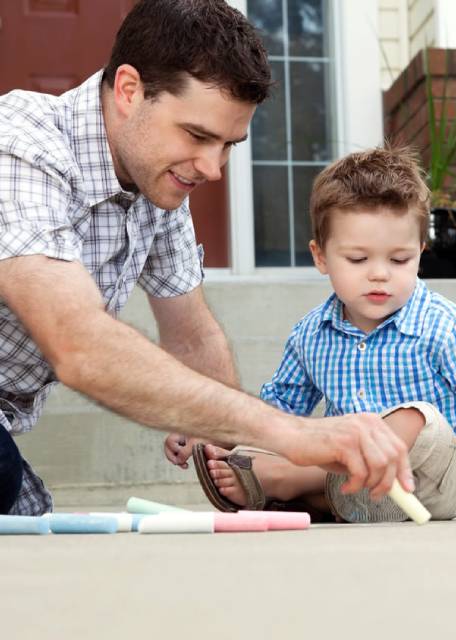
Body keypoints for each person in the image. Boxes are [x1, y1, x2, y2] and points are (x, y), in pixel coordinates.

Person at [0, 0, 413, 517]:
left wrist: (243, 461)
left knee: (29, 520)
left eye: (228, 145)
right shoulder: (21, 147)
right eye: (197, 136)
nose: (212, 168)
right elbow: (78, 343)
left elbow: (193, 337)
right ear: (130, 91)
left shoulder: (159, 182)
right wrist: (293, 433)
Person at [188, 146, 456, 523]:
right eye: (358, 259)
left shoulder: (441, 325)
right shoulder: (311, 335)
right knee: (286, 439)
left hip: (431, 482)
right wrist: (215, 432)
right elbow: (279, 412)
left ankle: (292, 481)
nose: (380, 274)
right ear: (320, 257)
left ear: (420, 253)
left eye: (399, 260)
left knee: (416, 418)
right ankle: (313, 496)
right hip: (366, 492)